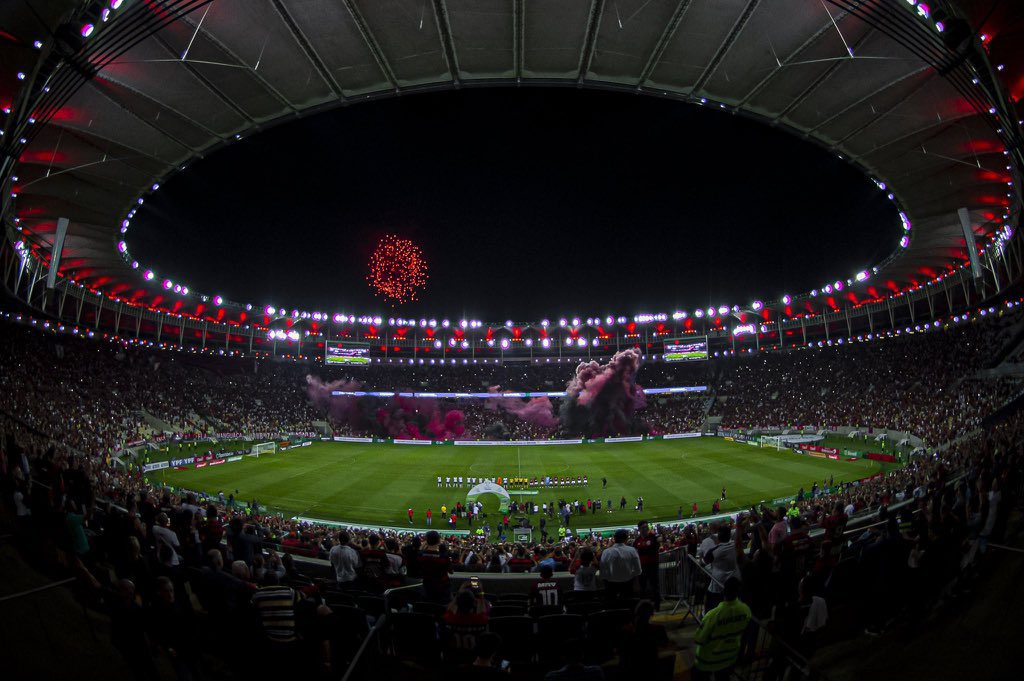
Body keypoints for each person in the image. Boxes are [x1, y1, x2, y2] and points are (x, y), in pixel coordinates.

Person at [693, 577, 751, 680]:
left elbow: (699, 639)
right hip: (729, 658)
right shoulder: (746, 610)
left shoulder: (713, 615)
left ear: (724, 591)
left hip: (707, 660)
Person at [443, 583, 489, 663]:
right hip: (473, 659)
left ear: (457, 604)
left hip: (454, 659)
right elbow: (482, 608)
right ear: (474, 604)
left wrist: (459, 591)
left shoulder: (450, 618)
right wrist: (481, 591)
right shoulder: (480, 619)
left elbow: (449, 608)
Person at [599, 528, 641, 601]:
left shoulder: (606, 552)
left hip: (611, 585)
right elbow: (638, 571)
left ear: (614, 539)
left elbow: (602, 573)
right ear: (626, 538)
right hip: (627, 583)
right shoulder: (632, 550)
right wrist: (629, 575)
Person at [417, 530, 454, 603]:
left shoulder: (420, 555)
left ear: (426, 541)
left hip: (427, 586)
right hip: (442, 588)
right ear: (438, 541)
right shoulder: (443, 557)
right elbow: (451, 571)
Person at [635, 520, 661, 608]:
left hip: (653, 565)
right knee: (642, 586)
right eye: (643, 528)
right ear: (639, 529)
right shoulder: (637, 540)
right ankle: (643, 606)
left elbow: (654, 550)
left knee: (654, 585)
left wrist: (642, 551)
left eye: (646, 527)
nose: (645, 529)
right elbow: (635, 553)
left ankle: (657, 605)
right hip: (641, 567)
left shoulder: (653, 537)